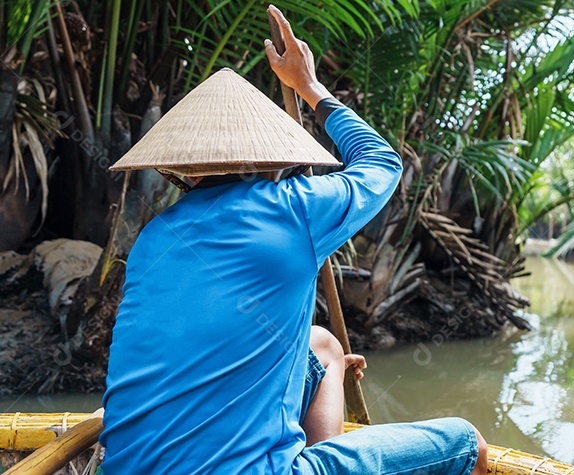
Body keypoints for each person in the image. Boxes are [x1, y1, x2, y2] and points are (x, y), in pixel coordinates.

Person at [98, 5, 488, 474]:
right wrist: (312, 89)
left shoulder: (153, 238)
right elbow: (382, 164)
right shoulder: (293, 208)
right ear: (273, 158)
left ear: (178, 169)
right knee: (469, 444)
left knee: (324, 345)